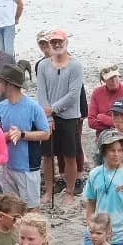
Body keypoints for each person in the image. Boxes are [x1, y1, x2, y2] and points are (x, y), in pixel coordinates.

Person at [33, 30, 85, 204]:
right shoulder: (43, 65)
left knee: (70, 155)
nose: (56, 45)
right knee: (47, 156)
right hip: (47, 116)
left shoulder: (75, 66)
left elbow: (73, 94)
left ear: (66, 42)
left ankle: (69, 192)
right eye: (53, 42)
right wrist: (47, 117)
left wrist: (52, 109)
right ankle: (49, 190)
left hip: (69, 116)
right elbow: (41, 92)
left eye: (59, 41)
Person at [0, 64, 50, 206]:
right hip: (6, 167)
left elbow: (46, 133)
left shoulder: (33, 107)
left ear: (9, 84)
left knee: (31, 210)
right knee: (10, 210)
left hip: (28, 167)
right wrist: (5, 136)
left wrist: (22, 134)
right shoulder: (0, 107)